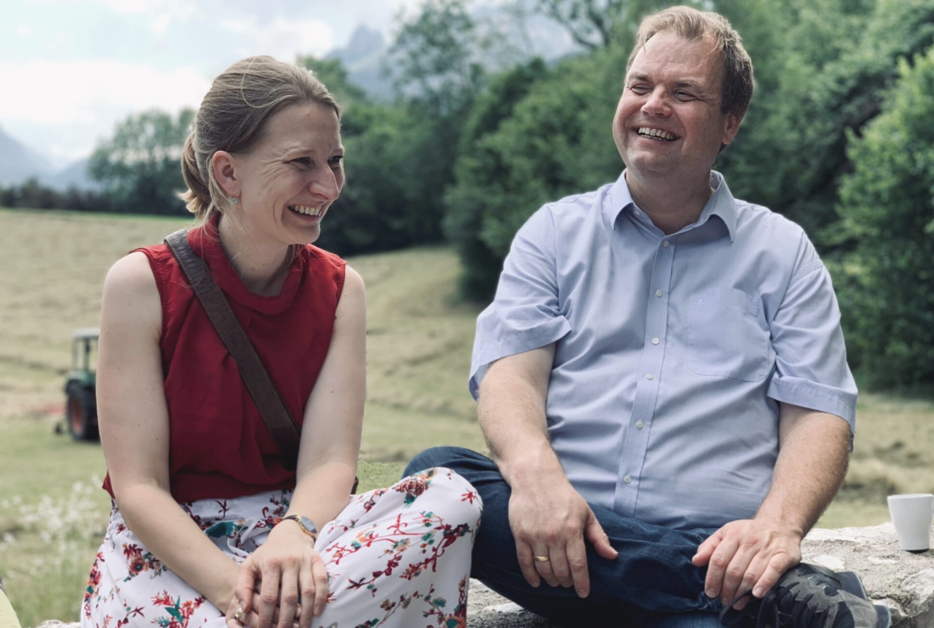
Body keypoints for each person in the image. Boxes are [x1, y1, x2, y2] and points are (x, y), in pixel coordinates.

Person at [405, 7, 887, 628]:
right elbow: (508, 377)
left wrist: (775, 528)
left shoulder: (783, 252)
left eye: (683, 93)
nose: (653, 104)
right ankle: (762, 601)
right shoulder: (552, 233)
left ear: (729, 124)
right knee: (439, 475)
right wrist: (537, 479)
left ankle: (716, 589)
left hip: (718, 546)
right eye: (640, 86)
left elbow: (819, 414)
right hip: (560, 538)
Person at [82, 56, 481, 628]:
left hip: (298, 535)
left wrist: (293, 537)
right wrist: (233, 593)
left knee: (453, 499)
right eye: (302, 163)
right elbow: (139, 486)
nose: (328, 185)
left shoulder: (341, 289)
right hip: (172, 549)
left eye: (335, 161)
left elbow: (330, 460)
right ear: (227, 174)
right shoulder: (142, 284)